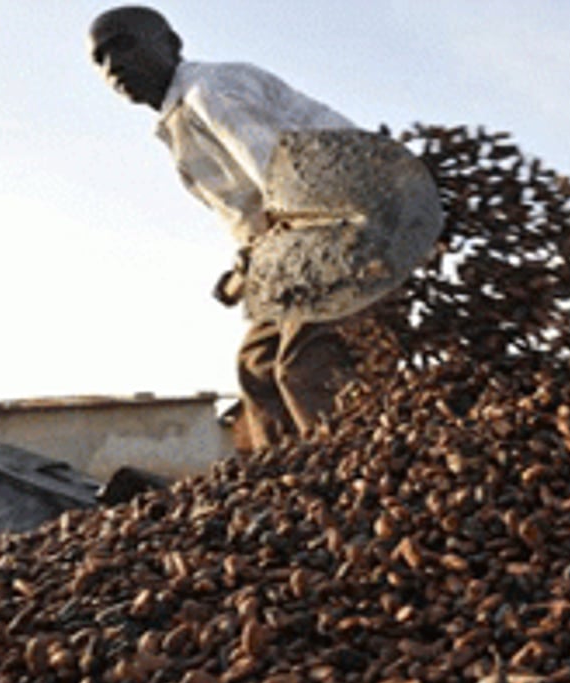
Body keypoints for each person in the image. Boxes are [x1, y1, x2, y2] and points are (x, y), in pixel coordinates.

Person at [89, 6, 365, 450]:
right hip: (288, 245)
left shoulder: (209, 92)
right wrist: (246, 266)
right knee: (257, 368)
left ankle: (356, 473)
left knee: (305, 366)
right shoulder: (178, 121)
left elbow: (287, 179)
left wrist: (273, 256)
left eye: (122, 45)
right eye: (99, 59)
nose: (113, 65)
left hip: (343, 220)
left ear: (172, 44)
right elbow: (259, 210)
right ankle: (289, 482)